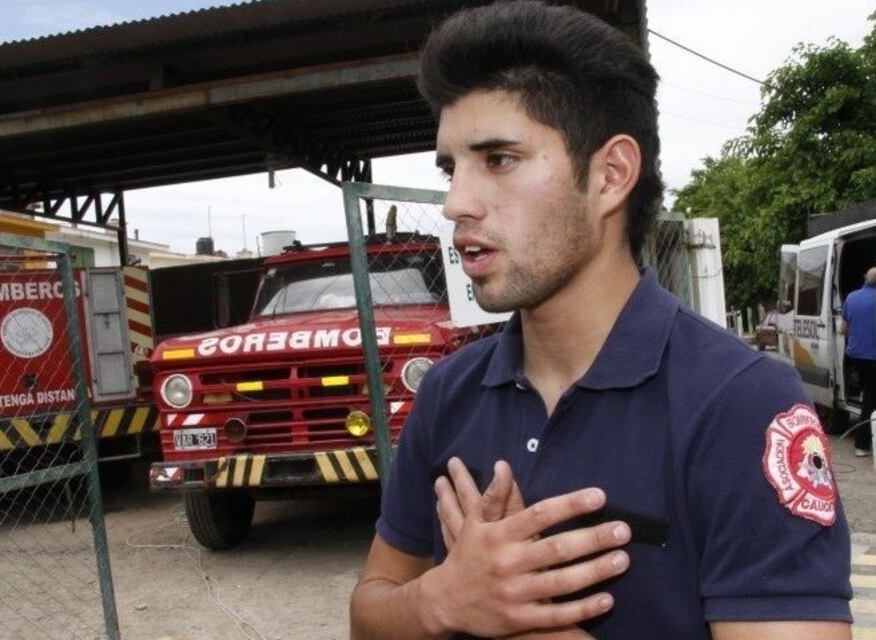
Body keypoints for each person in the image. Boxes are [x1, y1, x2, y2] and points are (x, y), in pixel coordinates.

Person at [349, 3, 852, 639]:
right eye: (452, 169)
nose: (455, 203)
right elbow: (369, 613)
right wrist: (439, 602)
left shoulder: (742, 403)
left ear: (611, 175)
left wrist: (524, 622)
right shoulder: (449, 394)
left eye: (498, 159)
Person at [840, 266, 876, 456]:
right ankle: (862, 445)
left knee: (867, 399)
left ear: (865, 278)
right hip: (873, 357)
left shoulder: (851, 297)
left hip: (856, 357)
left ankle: (864, 444)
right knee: (870, 401)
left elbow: (843, 330)